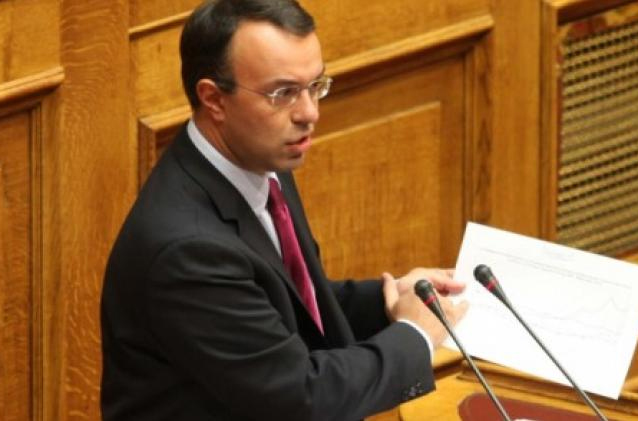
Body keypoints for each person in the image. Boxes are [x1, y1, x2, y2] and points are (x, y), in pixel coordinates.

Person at [100, 0, 468, 420]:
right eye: (284, 93)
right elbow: (301, 398)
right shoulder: (188, 251)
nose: (309, 113)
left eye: (315, 86)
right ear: (214, 99)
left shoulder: (261, 160)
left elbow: (290, 308)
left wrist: (392, 300)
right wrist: (415, 335)